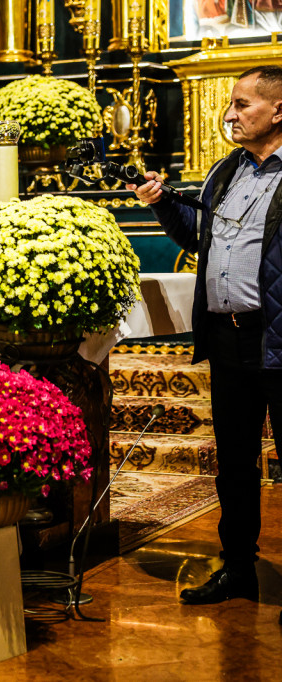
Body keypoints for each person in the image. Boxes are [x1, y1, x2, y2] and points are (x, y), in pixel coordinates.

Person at [128, 64, 282, 607]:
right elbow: (199, 239)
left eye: (243, 104)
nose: (231, 113)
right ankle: (237, 566)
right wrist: (163, 203)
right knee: (234, 462)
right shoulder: (226, 172)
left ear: (278, 111)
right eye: (231, 104)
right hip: (226, 337)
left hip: (278, 337)